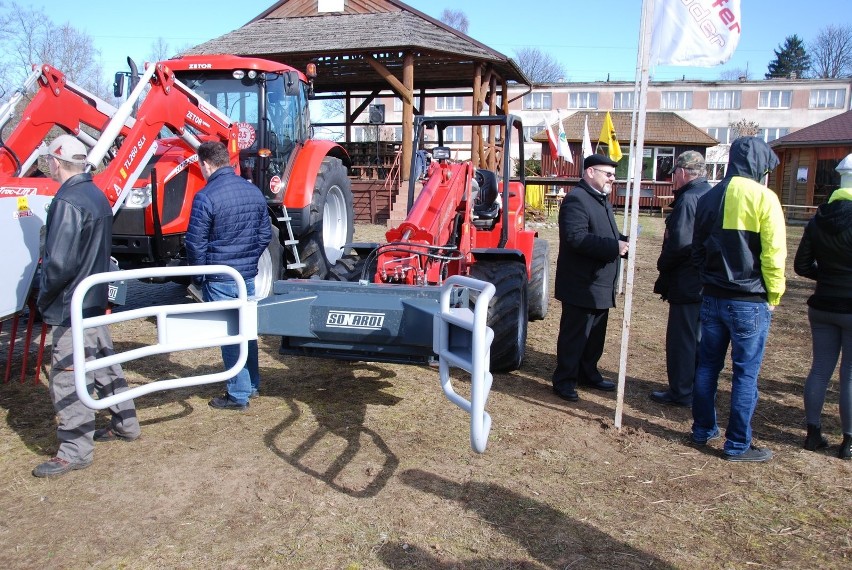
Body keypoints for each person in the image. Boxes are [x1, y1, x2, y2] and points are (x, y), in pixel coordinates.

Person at [34, 134, 141, 478]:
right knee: (105, 362)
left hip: (71, 303)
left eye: (49, 160)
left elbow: (60, 263)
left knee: (68, 375)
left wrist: (42, 296)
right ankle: (126, 422)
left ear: (56, 161)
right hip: (93, 298)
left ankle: (74, 449)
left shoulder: (68, 201)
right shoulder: (95, 194)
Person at [690, 136, 786, 462]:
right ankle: (737, 445)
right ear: (759, 165)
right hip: (750, 300)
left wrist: (707, 280)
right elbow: (774, 254)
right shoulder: (765, 198)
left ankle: (702, 430)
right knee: (745, 375)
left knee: (707, 368)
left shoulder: (708, 196)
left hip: (713, 298)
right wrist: (774, 293)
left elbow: (697, 249)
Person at [185, 141, 272, 411]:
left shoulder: (206, 196)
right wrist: (248, 260)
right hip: (244, 275)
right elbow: (264, 235)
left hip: (220, 275)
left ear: (206, 164)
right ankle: (251, 383)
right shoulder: (253, 191)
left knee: (229, 334)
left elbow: (195, 243)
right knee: (246, 332)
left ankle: (238, 394)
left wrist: (200, 275)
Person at [552, 154, 629, 402]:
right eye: (608, 174)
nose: (612, 179)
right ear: (590, 172)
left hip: (600, 283)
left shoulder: (601, 200)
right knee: (575, 335)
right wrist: (612, 247)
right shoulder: (577, 200)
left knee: (595, 334)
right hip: (581, 284)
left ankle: (588, 373)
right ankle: (564, 380)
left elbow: (608, 234)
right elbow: (576, 238)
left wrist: (623, 242)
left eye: (613, 175)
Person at [793, 184, 852, 460]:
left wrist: (827, 278)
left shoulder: (816, 223)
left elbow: (801, 266)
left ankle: (813, 433)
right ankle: (848, 442)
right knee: (849, 376)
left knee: (819, 369)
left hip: (822, 305)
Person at [650, 151, 712, 407]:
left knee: (682, 341)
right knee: (696, 339)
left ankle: (681, 391)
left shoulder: (689, 200)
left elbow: (680, 244)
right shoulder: (709, 194)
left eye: (674, 173)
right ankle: (694, 387)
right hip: (703, 281)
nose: (672, 177)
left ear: (683, 172)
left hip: (687, 281)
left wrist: (663, 265)